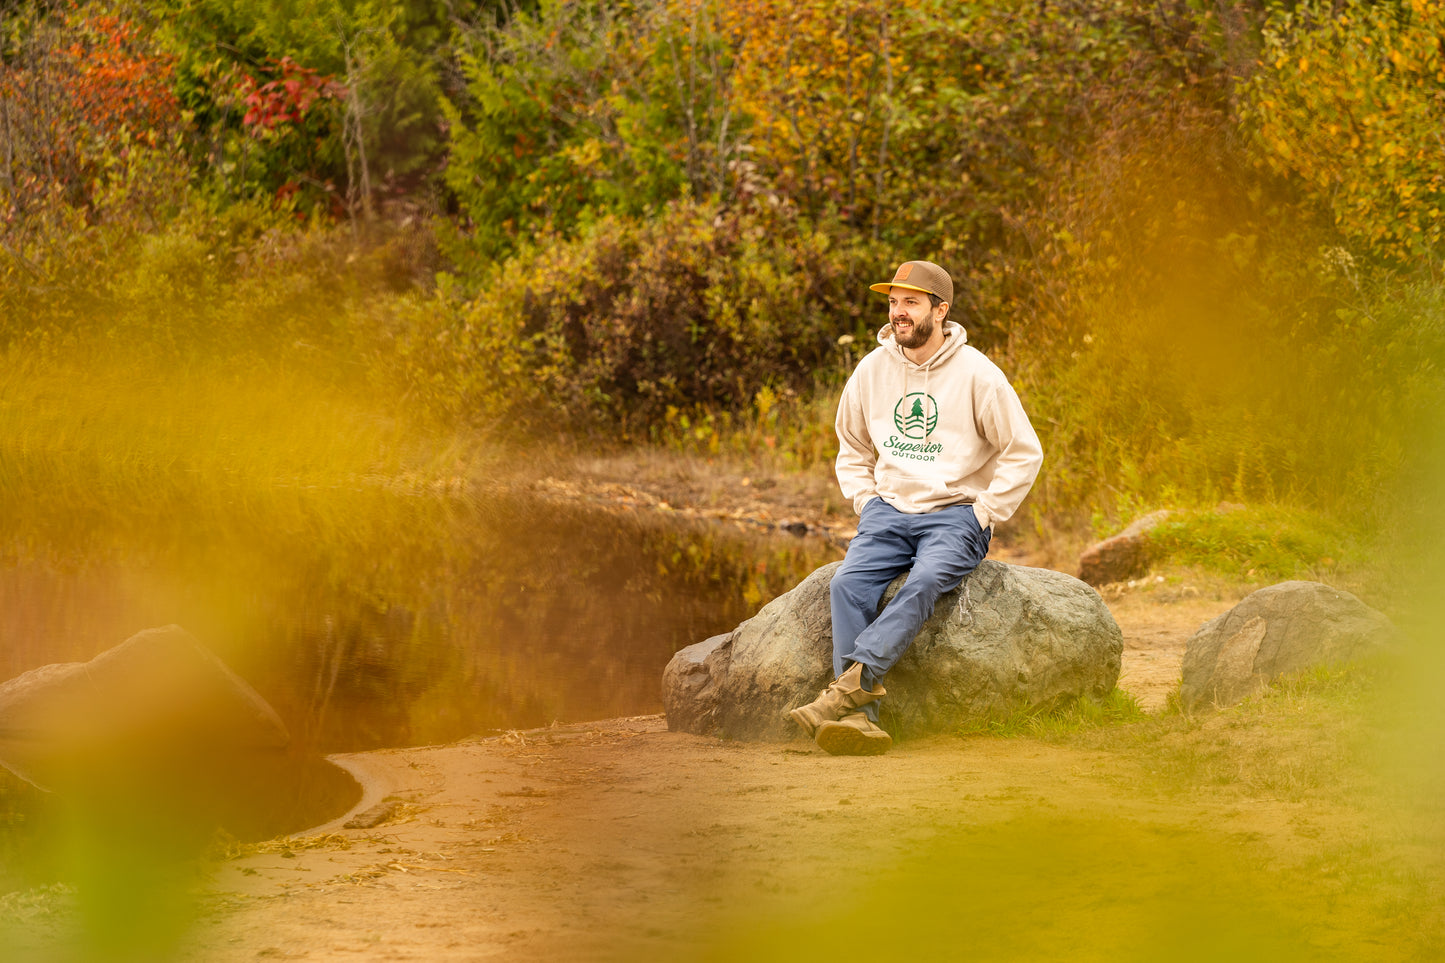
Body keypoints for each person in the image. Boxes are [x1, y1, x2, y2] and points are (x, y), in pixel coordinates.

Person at [787, 260, 1043, 756]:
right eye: (892, 302)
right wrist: (866, 500)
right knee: (847, 583)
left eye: (910, 302)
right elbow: (852, 444)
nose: (897, 313)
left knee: (925, 582)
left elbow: (1024, 450)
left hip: (954, 513)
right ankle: (858, 716)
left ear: (940, 310)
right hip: (888, 511)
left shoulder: (978, 374)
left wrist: (984, 511)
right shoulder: (871, 369)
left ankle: (845, 695)